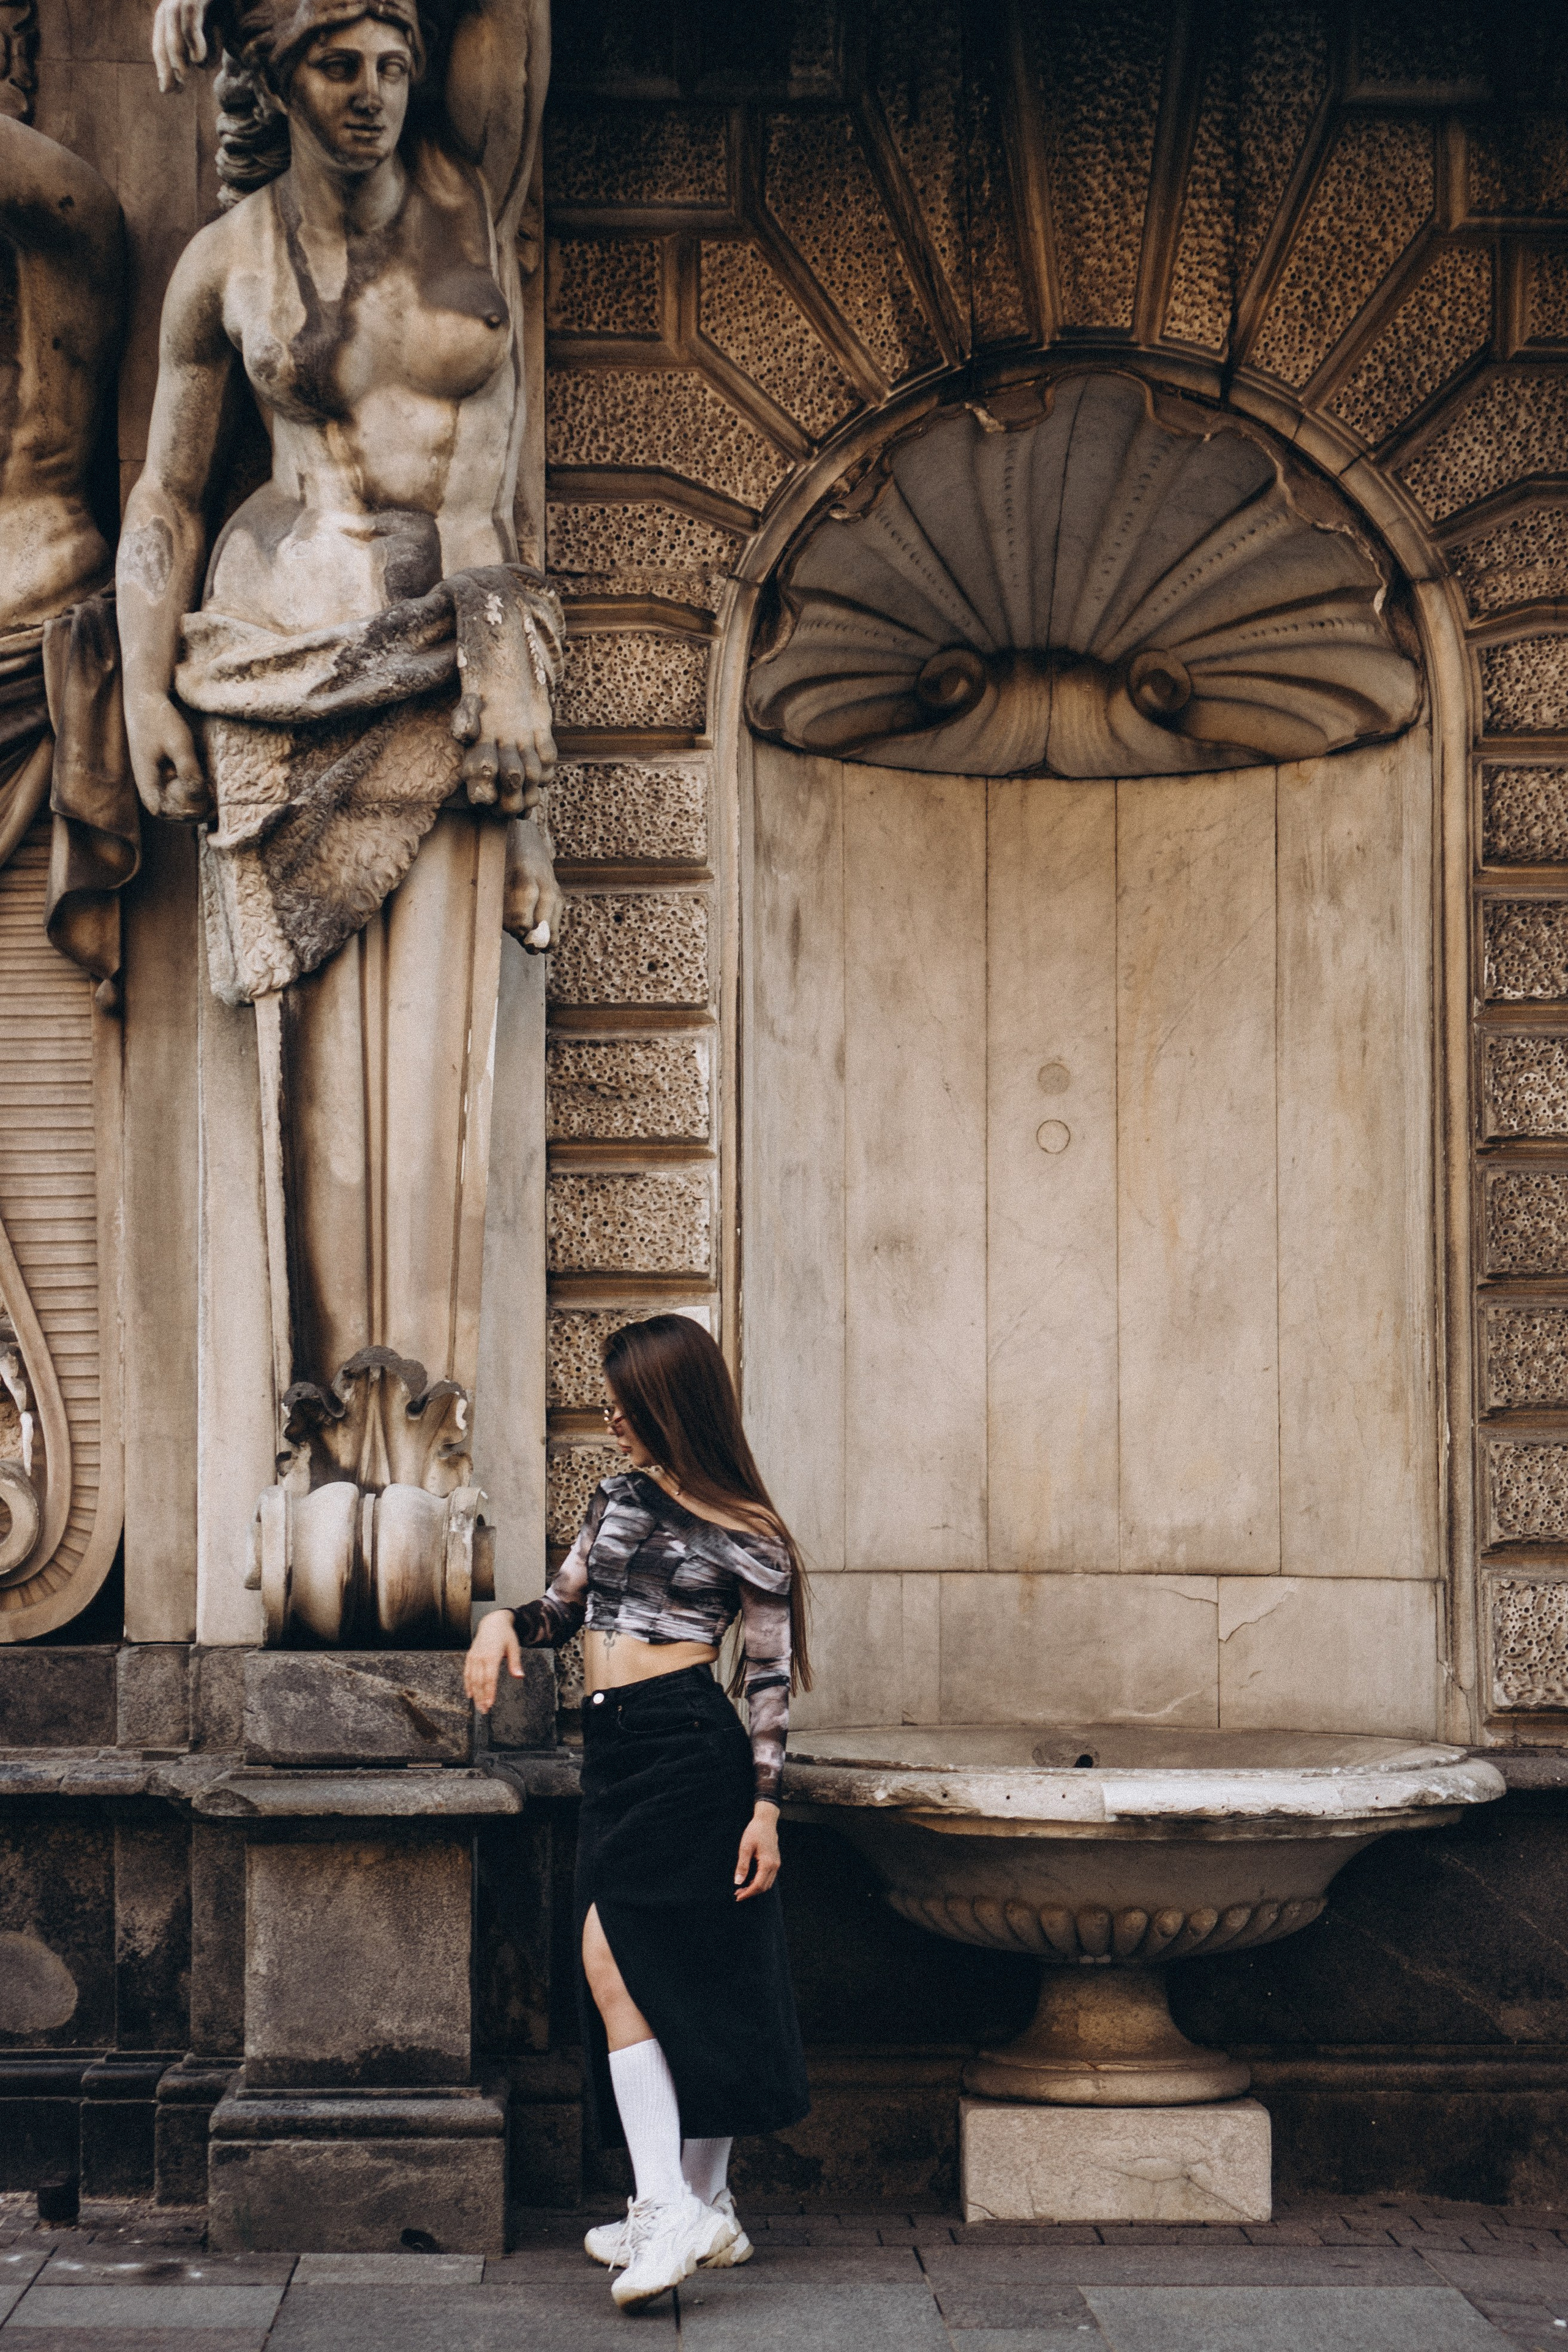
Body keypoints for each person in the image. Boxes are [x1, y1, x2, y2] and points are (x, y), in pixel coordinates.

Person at [118, 0, 565, 1611]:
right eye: (335, 67)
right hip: (270, 661)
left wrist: (511, 680)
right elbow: (166, 492)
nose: (372, 96)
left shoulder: (477, 195)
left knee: (441, 1070)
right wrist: (141, 685)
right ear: (273, 80)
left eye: (390, 61)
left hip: (452, 653)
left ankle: (421, 1451)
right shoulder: (224, 265)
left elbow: (510, 13)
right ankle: (313, 1446)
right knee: (298, 1070)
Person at [466, 1315, 812, 2311]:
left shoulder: (753, 1533)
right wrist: (500, 1622)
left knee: (623, 1957)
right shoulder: (615, 1496)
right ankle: (706, 2206)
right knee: (669, 1968)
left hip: (689, 1753)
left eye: (624, 1398)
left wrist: (766, 1810)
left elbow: (771, 1687)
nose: (609, 1415)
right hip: (614, 1751)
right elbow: (559, 1610)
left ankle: (668, 2207)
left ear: (673, 1400)